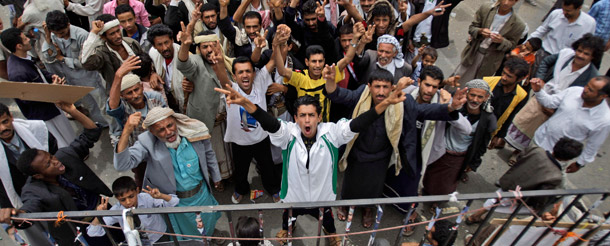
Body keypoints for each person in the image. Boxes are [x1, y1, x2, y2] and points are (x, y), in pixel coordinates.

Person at [215, 68, 407, 245]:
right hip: (294, 196)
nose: (307, 120)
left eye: (311, 115)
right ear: (296, 118)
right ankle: (288, 231)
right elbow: (270, 123)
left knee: (328, 221)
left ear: (319, 117)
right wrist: (247, 103)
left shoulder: (332, 132)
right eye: (302, 115)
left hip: (322, 197)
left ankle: (330, 234)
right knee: (288, 218)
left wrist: (386, 103)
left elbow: (357, 124)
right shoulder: (288, 133)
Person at [326, 66, 467, 229]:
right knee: (350, 184)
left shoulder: (402, 100)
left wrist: (451, 107)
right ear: (369, 86)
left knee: (374, 187)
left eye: (385, 87)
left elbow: (424, 110)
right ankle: (344, 205)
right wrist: (330, 81)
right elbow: (338, 94)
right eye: (377, 86)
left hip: (381, 157)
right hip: (356, 152)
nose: (380, 92)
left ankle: (367, 210)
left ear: (392, 88)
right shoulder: (360, 95)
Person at [7, 103, 113, 246]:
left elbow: (92, 132)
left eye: (51, 157)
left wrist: (73, 111)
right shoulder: (33, 191)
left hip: (107, 212)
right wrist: (16, 215)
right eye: (48, 164)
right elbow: (29, 210)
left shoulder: (65, 156)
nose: (55, 161)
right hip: (81, 233)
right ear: (38, 175)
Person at [114, 107, 222, 238]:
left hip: (202, 194)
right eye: (161, 130)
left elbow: (208, 154)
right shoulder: (146, 142)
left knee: (208, 221)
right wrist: (126, 131)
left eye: (170, 125)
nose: (168, 132)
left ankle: (210, 236)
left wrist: (216, 176)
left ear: (175, 121)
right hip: (176, 203)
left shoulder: (194, 132)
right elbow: (122, 164)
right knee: (187, 234)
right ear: (153, 132)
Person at [504, 34, 602, 158]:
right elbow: (545, 62)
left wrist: (555, 110)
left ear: (593, 57)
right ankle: (508, 143)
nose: (580, 55)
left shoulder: (591, 76)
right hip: (542, 93)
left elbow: (580, 99)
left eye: (586, 54)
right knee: (523, 120)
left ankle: (521, 154)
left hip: (557, 108)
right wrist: (540, 79)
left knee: (538, 131)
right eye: (579, 50)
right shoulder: (566, 55)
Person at [466, 137, 584, 224]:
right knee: (510, 212)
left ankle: (474, 216)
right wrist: (539, 209)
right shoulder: (556, 176)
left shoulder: (536, 150)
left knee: (495, 200)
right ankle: (479, 219)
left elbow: (520, 157)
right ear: (569, 159)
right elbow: (541, 196)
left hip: (510, 182)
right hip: (520, 196)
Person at [0, 27, 75, 148]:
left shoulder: (23, 59)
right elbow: (28, 98)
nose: (29, 40)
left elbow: (38, 73)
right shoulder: (17, 73)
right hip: (45, 113)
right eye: (25, 39)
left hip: (51, 105)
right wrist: (52, 89)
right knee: (62, 141)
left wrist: (51, 77)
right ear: (19, 46)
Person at [274, 24, 361, 122]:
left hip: (324, 128)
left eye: (320, 61)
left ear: (324, 61)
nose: (318, 65)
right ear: (307, 62)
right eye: (314, 61)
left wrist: (355, 38)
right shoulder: (300, 77)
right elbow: (281, 70)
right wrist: (276, 45)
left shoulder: (329, 74)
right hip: (303, 126)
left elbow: (347, 59)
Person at [225, 56, 281, 204]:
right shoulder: (231, 88)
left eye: (248, 71)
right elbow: (219, 73)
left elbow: (272, 61)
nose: (245, 75)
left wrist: (277, 43)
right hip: (240, 141)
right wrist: (217, 60)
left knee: (267, 166)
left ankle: (274, 189)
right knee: (241, 169)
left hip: (261, 138)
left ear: (254, 74)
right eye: (240, 72)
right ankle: (241, 189)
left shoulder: (260, 82)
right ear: (234, 76)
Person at [0, 103, 57, 246]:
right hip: (24, 203)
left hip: (55, 191)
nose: (3, 128)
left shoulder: (36, 129)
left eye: (5, 122)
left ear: (11, 117)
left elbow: (55, 155)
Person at [42, 10, 109, 128]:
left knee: (102, 104)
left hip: (89, 78)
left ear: (68, 24)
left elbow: (87, 62)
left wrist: (62, 58)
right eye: (55, 33)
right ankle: (101, 125)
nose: (59, 36)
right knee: (90, 105)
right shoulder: (52, 36)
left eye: (62, 33)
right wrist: (48, 39)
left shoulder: (82, 35)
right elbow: (48, 57)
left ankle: (112, 126)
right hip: (72, 79)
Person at [530, 76, 610, 173]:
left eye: (590, 90)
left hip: (557, 156)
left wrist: (579, 163)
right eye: (587, 85)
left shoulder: (604, 120)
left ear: (603, 96)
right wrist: (539, 91)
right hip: (539, 139)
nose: (585, 90)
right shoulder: (574, 91)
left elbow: (593, 145)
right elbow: (550, 102)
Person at [87, 176, 178, 243]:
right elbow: (92, 232)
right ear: (117, 199)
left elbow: (174, 202)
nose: (128, 202)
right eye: (123, 200)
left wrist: (161, 196)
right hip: (137, 242)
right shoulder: (117, 210)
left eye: (131, 196)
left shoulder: (147, 198)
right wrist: (98, 215)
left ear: (137, 191)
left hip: (160, 236)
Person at [453, 0, 526, 85]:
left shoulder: (518, 24)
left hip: (491, 60)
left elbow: (512, 45)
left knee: (477, 85)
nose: (506, 3)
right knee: (457, 79)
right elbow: (472, 28)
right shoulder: (486, 9)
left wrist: (501, 41)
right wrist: (480, 31)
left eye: (510, 0)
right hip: (473, 52)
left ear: (516, 1)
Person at [81, 14, 150, 94]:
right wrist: (94, 33)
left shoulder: (132, 43)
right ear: (103, 37)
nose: (117, 36)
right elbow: (85, 62)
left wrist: (152, 74)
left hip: (142, 89)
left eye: (118, 31)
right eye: (112, 34)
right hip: (119, 95)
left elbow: (146, 63)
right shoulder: (102, 53)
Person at [529, 0, 596, 72]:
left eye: (568, 11)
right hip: (544, 54)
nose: (564, 13)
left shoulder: (589, 23)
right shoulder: (556, 14)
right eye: (563, 9)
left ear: (579, 8)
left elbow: (588, 45)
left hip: (565, 61)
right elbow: (541, 31)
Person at [453, 80, 497, 183]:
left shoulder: (488, 120)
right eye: (472, 95)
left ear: (486, 97)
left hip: (463, 154)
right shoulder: (456, 107)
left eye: (480, 97)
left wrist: (473, 163)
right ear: (466, 93)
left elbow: (482, 144)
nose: (475, 100)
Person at [484, 58, 529, 150]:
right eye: (503, 73)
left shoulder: (521, 96)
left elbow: (510, 117)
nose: (503, 77)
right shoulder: (487, 81)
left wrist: (498, 136)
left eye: (509, 76)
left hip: (489, 131)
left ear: (521, 78)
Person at [147, 24, 187, 113]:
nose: (165, 48)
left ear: (172, 40)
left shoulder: (184, 56)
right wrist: (153, 73)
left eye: (166, 42)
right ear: (154, 46)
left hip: (185, 103)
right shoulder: (153, 54)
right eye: (160, 44)